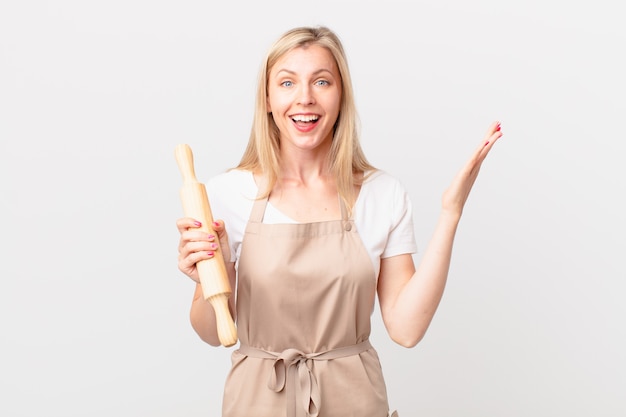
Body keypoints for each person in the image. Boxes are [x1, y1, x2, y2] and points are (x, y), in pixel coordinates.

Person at [176, 25, 503, 417]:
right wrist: (209, 277)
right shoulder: (227, 194)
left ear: (341, 94)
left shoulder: (383, 194)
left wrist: (451, 213)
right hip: (256, 402)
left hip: (354, 400)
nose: (305, 99)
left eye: (322, 81)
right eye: (286, 82)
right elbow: (213, 333)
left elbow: (406, 328)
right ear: (267, 98)